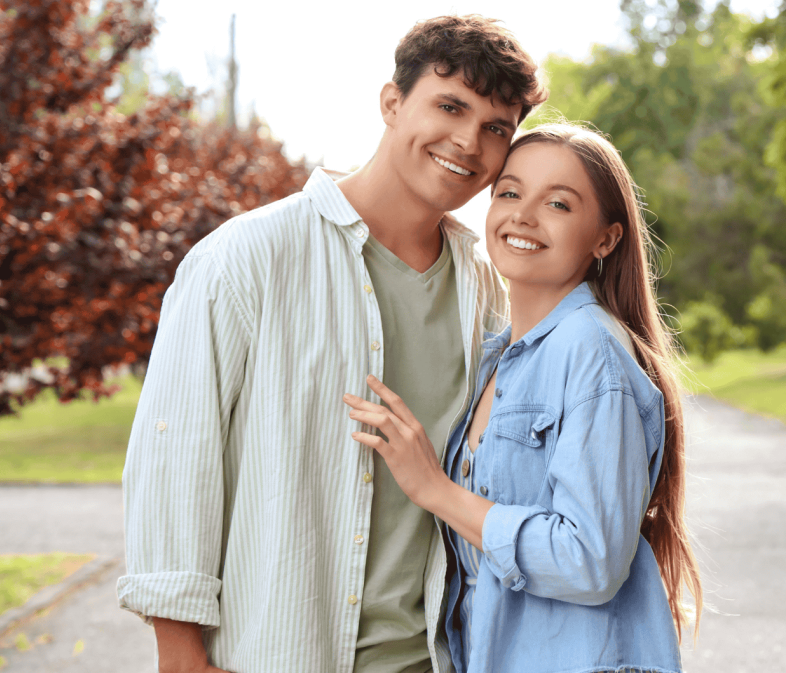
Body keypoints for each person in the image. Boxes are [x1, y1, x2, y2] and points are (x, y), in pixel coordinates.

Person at [117, 15, 546, 673]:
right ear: (392, 103)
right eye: (451, 106)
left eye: (495, 127)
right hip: (281, 651)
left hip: (434, 656)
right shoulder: (246, 258)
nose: (469, 141)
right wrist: (180, 656)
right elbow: (177, 458)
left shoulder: (487, 289)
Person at [343, 123, 704, 673]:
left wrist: (434, 490)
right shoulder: (499, 355)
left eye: (558, 203)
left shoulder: (589, 349)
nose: (523, 215)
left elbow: (590, 561)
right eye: (510, 192)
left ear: (605, 238)